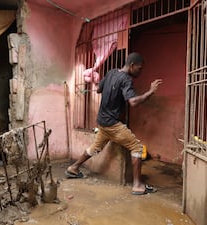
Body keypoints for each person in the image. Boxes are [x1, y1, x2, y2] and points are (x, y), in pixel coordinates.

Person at [65, 52, 163, 195]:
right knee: (136, 147)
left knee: (96, 147)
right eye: (139, 68)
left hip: (102, 121)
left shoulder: (111, 73)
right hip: (112, 124)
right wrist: (150, 91)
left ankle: (73, 168)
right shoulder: (126, 80)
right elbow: (133, 102)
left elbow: (98, 89)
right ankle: (137, 185)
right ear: (132, 65)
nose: (140, 71)